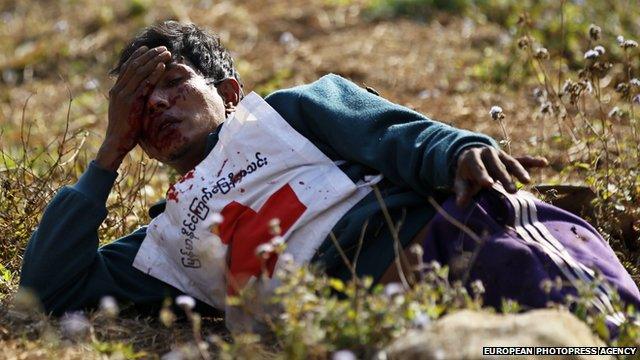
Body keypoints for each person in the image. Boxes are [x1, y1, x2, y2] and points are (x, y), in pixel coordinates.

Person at [19, 21, 639, 321]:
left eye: (174, 83)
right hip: (371, 329)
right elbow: (49, 290)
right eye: (139, 102)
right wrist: (106, 155)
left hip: (450, 246)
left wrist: (458, 152)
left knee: (603, 332)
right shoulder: (163, 243)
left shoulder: (287, 112)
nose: (155, 104)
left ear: (230, 92)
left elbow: (397, 134)